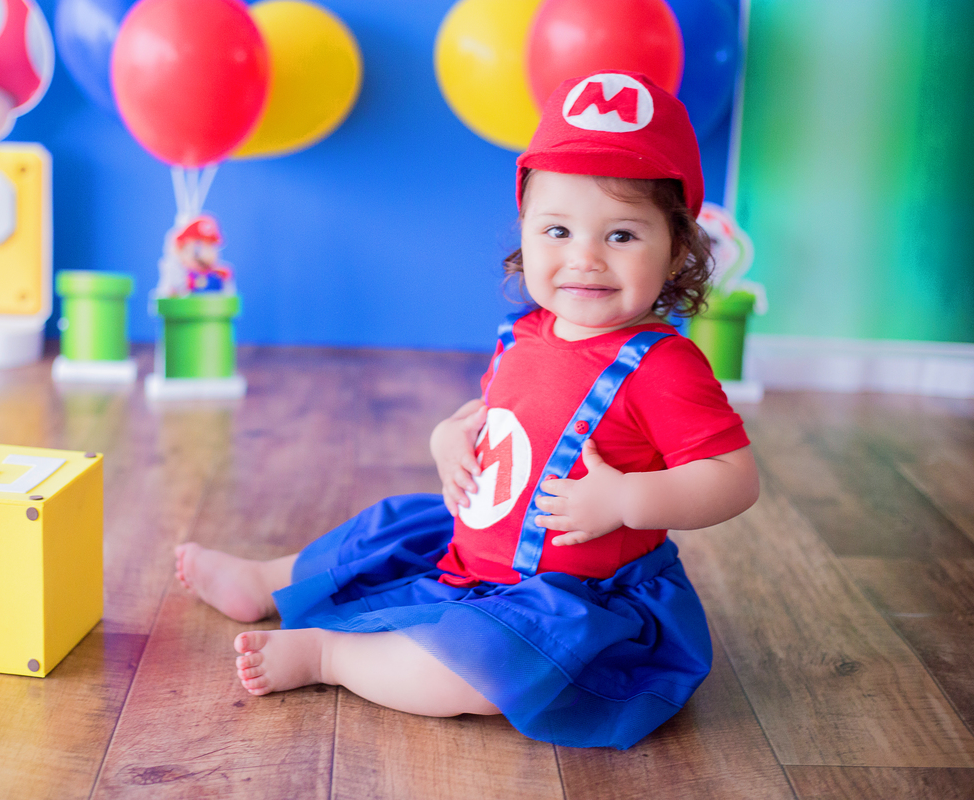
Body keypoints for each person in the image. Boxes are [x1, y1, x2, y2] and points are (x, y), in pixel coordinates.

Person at [175, 71, 760, 750]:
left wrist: (627, 500)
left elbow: (733, 476)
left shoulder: (663, 367)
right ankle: (265, 583)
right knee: (385, 531)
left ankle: (330, 657)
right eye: (558, 230)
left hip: (573, 597)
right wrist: (446, 441)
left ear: (678, 247)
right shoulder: (526, 332)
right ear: (525, 231)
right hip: (473, 552)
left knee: (486, 673)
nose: (585, 259)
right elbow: (499, 413)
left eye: (622, 235)